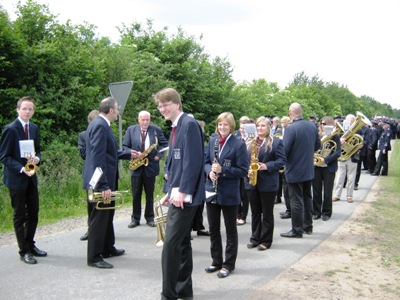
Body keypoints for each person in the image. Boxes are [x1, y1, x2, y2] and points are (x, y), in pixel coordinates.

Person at [154, 88, 205, 300]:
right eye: (159, 106)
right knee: (182, 243)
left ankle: (168, 295)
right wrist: (169, 191)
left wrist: (182, 191)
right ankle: (184, 291)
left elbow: (192, 162)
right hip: (179, 193)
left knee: (170, 246)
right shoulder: (176, 126)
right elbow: (176, 164)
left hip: (187, 196)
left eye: (166, 104)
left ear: (177, 104)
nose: (162, 109)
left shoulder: (189, 124)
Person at [82, 97, 131, 269]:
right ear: (111, 110)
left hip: (106, 179)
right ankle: (94, 257)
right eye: (117, 109)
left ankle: (108, 248)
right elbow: (97, 158)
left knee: (108, 215)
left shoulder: (101, 124)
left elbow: (109, 153)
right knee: (99, 219)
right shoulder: (99, 125)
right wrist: (102, 185)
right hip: (101, 182)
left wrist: (130, 153)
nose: (118, 112)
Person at [0, 96, 47, 264]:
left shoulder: (34, 128)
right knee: (20, 215)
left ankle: (31, 244)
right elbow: (4, 156)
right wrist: (21, 169)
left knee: (33, 214)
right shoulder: (10, 129)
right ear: (17, 110)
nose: (28, 112)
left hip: (31, 178)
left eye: (30, 109)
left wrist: (37, 159)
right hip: (17, 179)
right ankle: (23, 251)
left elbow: (39, 151)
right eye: (25, 108)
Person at [204, 112, 249, 278]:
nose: (222, 127)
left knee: (230, 230)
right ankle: (216, 261)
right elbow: (206, 162)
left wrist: (223, 170)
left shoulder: (238, 145)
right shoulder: (212, 141)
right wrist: (209, 171)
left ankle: (228, 264)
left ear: (231, 126)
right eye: (220, 124)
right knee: (213, 229)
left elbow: (243, 170)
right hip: (211, 190)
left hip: (229, 193)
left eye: (225, 125)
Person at [245, 116, 286, 250]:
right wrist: (247, 170)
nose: (260, 128)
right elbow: (243, 161)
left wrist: (266, 166)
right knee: (255, 212)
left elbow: (281, 161)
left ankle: (266, 240)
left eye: (263, 126)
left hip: (268, 182)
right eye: (258, 126)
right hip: (252, 182)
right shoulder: (250, 142)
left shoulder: (276, 142)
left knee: (267, 213)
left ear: (268, 127)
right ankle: (255, 238)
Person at [280, 103, 320, 238]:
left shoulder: (291, 128)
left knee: (296, 200)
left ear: (291, 112)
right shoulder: (312, 126)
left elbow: (284, 151)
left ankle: (297, 230)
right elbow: (317, 146)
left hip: (294, 169)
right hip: (308, 168)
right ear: (301, 112)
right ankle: (307, 227)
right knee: (307, 198)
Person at [123, 110, 168, 228]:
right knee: (136, 193)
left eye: (147, 119)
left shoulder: (156, 130)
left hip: (150, 166)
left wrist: (159, 155)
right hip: (136, 165)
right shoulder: (131, 130)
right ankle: (135, 219)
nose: (145, 122)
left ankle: (150, 217)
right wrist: (132, 153)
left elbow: (164, 144)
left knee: (150, 194)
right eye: (143, 120)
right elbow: (124, 146)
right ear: (138, 120)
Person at [312, 116, 341, 221]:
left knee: (328, 192)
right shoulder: (317, 135)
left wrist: (326, 160)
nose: (323, 126)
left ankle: (326, 213)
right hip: (317, 167)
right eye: (322, 124)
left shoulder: (335, 136)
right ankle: (316, 212)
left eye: (325, 124)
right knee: (316, 191)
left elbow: (338, 152)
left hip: (328, 166)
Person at [77, 109, 99, 241]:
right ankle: (90, 230)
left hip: (102, 173)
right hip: (91, 174)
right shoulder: (83, 135)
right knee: (91, 204)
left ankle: (101, 231)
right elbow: (84, 154)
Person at [332, 114, 362, 204]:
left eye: (353, 121)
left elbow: (361, 141)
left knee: (351, 178)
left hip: (352, 157)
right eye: (350, 120)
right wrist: (340, 141)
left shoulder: (358, 131)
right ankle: (337, 195)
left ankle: (349, 196)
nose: (352, 122)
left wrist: (360, 146)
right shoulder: (340, 130)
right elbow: (334, 142)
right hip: (342, 156)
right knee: (339, 177)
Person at [234, 116, 251, 225]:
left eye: (244, 128)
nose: (242, 130)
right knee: (237, 193)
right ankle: (237, 214)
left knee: (245, 195)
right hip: (237, 168)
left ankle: (243, 216)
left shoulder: (252, 138)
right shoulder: (236, 136)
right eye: (240, 128)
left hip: (247, 168)